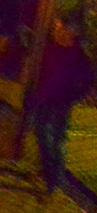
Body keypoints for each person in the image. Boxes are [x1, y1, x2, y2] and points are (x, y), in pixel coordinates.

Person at [30, 16, 94, 193]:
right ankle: (49, 172)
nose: (56, 33)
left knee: (56, 138)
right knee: (42, 133)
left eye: (60, 29)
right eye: (56, 29)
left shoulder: (79, 57)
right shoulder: (50, 48)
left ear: (70, 33)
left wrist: (71, 97)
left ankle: (53, 178)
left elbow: (86, 82)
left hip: (61, 103)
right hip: (44, 98)